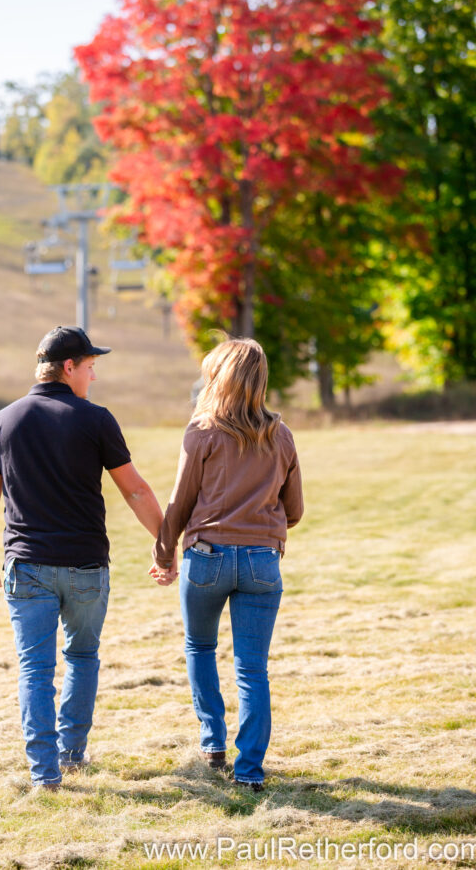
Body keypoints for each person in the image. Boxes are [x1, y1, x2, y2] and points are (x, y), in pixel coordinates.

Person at [0, 325, 174, 790]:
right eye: (90, 367)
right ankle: (72, 754)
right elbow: (136, 489)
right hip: (86, 567)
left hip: (27, 566)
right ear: (69, 367)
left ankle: (45, 774)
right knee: (82, 657)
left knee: (35, 669)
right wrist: (165, 546)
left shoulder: (3, 421)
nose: (93, 377)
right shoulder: (96, 420)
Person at [149, 338, 303, 792]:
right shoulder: (282, 435)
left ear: (220, 378)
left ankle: (212, 744)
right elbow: (293, 510)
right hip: (262, 562)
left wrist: (164, 554)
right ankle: (250, 772)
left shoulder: (202, 432)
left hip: (207, 559)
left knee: (200, 648)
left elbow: (180, 501)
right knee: (252, 668)